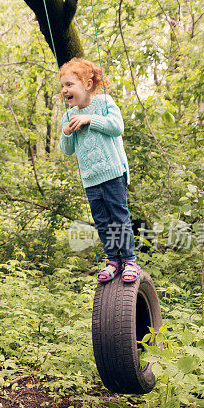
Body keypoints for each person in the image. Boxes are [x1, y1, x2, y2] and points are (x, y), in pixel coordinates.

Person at [58, 58, 139, 283]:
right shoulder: (68, 116)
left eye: (69, 84)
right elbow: (67, 150)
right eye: (63, 86)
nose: (65, 90)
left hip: (113, 173)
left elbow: (117, 127)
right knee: (102, 221)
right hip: (90, 179)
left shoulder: (104, 102)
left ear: (88, 83)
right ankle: (113, 260)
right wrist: (66, 132)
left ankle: (130, 260)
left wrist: (90, 118)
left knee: (119, 217)